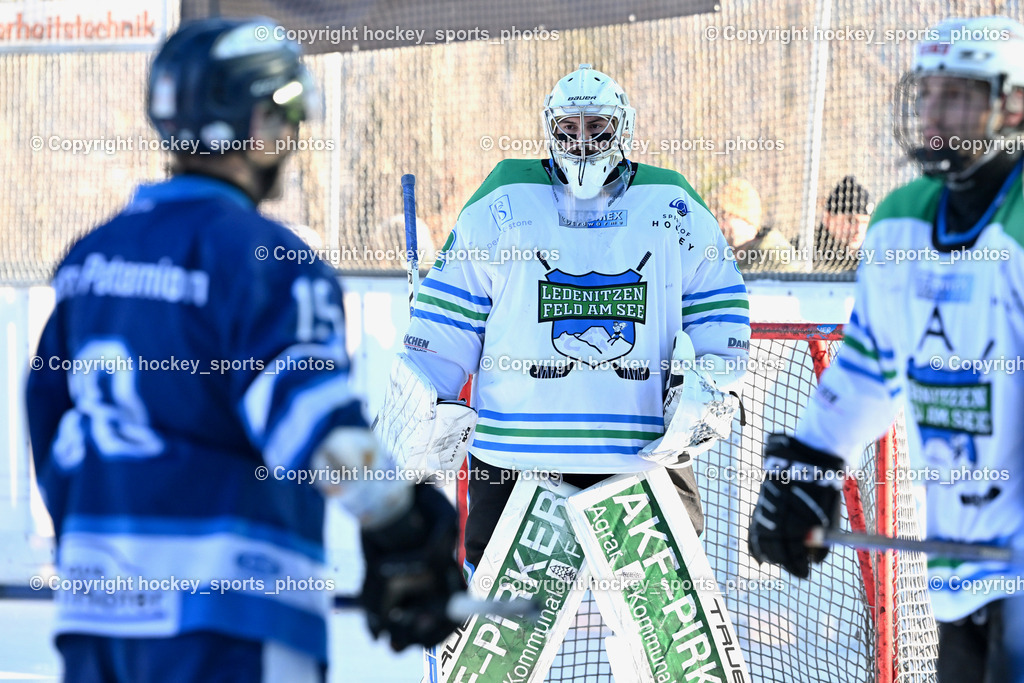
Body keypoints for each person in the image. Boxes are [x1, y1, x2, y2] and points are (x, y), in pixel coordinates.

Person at [24, 18, 461, 682]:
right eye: (283, 115)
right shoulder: (267, 259)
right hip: (231, 623)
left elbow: (48, 420)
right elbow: (312, 422)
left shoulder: (89, 259)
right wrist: (401, 527)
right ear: (255, 123)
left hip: (100, 620)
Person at [373, 64, 750, 576]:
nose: (583, 142)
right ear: (549, 128)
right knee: (500, 640)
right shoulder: (501, 202)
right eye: (569, 128)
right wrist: (418, 426)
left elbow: (719, 308)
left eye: (598, 128)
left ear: (624, 128)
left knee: (670, 647)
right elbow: (445, 328)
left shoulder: (672, 205)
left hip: (641, 461)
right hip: (517, 462)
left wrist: (706, 385)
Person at [746, 16, 1024, 682]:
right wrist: (811, 463)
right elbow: (869, 369)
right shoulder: (903, 217)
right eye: (928, 92)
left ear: (1014, 106)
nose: (934, 112)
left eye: (958, 95)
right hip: (962, 572)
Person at [708, 177, 795, 271]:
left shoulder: (776, 257)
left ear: (746, 221)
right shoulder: (718, 259)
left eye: (723, 217)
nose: (718, 226)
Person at [813, 175, 874, 271]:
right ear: (827, 218)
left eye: (864, 222)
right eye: (851, 221)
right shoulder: (802, 252)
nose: (859, 229)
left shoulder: (873, 260)